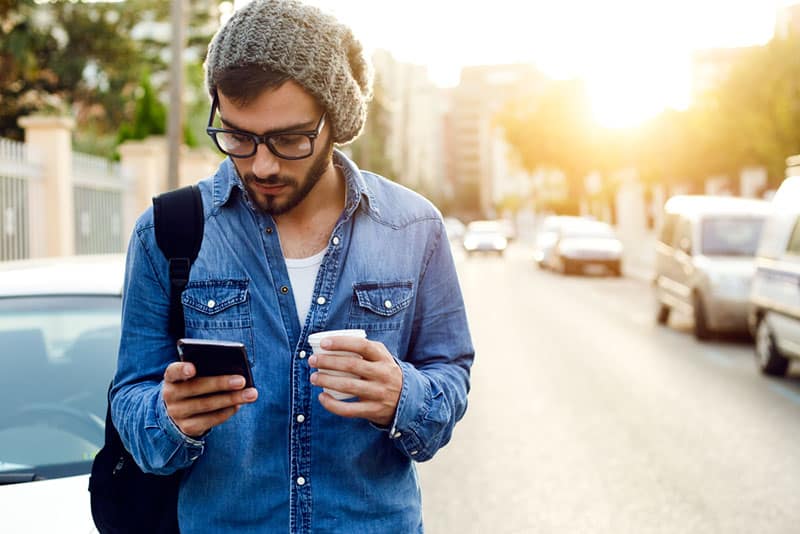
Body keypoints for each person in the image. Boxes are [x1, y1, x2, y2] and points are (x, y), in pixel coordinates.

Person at [110, 0, 474, 532]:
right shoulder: (165, 233)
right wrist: (167, 419)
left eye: (288, 140)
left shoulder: (414, 228)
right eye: (238, 136)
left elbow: (451, 374)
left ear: (336, 121)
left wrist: (404, 397)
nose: (261, 164)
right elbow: (130, 397)